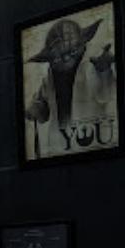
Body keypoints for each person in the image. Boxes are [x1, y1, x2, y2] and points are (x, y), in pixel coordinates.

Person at [24, 18, 117, 159]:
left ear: (82, 44)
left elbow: (105, 96)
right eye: (59, 56)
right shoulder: (50, 76)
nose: (66, 58)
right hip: (59, 148)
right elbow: (42, 106)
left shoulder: (92, 63)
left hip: (92, 145)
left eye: (72, 51)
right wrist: (36, 108)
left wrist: (104, 71)